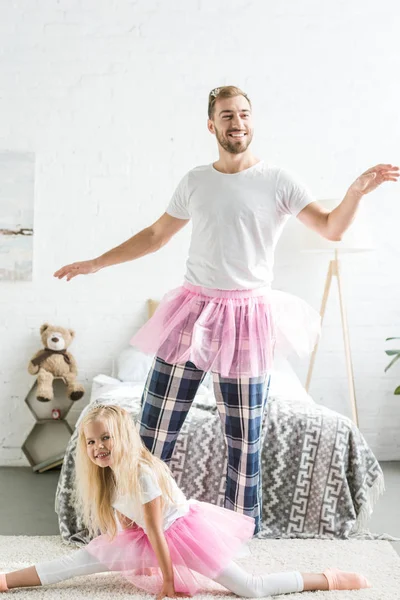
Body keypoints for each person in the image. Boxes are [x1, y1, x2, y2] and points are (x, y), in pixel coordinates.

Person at [53, 86, 399, 534]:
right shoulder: (196, 180)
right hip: (192, 311)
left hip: (247, 318)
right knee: (154, 433)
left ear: (252, 121)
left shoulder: (279, 180)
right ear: (211, 125)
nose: (237, 121)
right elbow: (157, 235)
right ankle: (135, 528)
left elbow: (331, 227)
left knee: (244, 443)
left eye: (244, 114)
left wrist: (355, 192)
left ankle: (239, 538)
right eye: (226, 114)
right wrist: (97, 262)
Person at [0, 405, 372, 597]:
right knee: (80, 560)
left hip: (180, 533)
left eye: (105, 439)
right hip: (148, 535)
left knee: (251, 588)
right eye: (91, 442)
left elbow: (159, 535)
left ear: (123, 437)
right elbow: (133, 521)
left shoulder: (142, 473)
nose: (98, 448)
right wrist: (130, 552)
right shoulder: (108, 472)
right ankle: (6, 581)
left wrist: (165, 580)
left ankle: (326, 578)